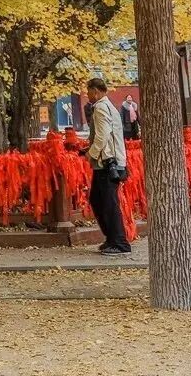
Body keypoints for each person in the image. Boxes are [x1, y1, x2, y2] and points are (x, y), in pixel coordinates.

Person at [86, 77, 131, 255]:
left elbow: (103, 135)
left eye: (89, 91)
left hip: (107, 162)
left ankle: (119, 242)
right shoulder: (110, 106)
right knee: (99, 199)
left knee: (108, 202)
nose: (87, 95)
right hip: (110, 160)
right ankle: (112, 239)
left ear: (96, 91)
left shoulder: (100, 107)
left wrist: (91, 153)